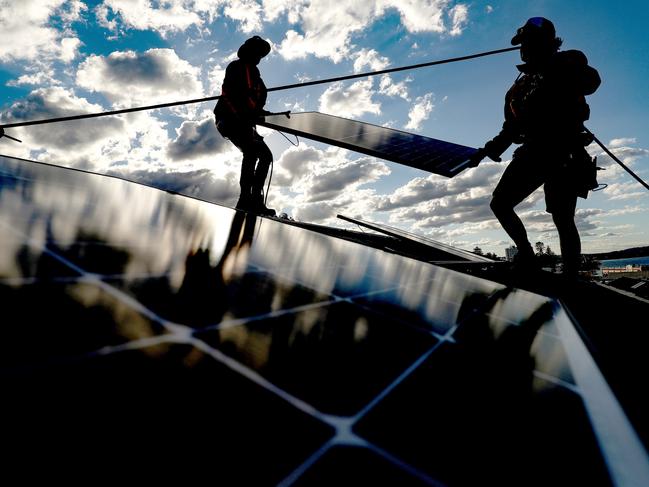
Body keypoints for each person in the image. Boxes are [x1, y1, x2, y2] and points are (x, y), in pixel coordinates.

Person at [469, 17, 600, 277]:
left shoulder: (567, 65)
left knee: (563, 218)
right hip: (533, 152)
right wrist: (486, 151)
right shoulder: (518, 89)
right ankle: (526, 254)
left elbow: (591, 82)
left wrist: (556, 62)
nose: (524, 48)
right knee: (500, 204)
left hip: (565, 151)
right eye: (522, 44)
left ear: (549, 43)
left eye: (530, 43)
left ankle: (571, 274)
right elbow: (510, 129)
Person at [214, 36, 276, 216]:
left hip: (245, 122)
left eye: (262, 54)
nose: (260, 57)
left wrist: (262, 113)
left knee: (265, 155)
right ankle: (245, 199)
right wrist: (244, 116)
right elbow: (230, 95)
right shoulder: (235, 67)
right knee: (251, 151)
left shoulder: (255, 73)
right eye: (258, 53)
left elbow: (256, 102)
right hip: (229, 119)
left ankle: (255, 199)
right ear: (250, 52)